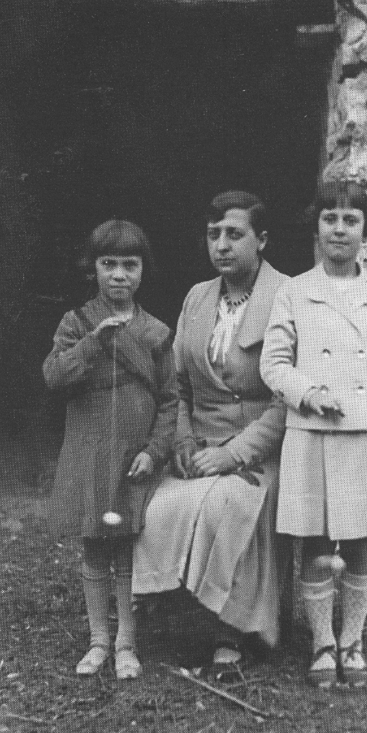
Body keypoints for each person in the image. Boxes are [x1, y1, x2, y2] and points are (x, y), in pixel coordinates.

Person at [260, 180, 367, 688]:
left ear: (365, 232)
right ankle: (321, 644)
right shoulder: (294, 290)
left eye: (350, 220)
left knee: (358, 542)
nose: (339, 229)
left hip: (364, 434)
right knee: (313, 541)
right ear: (316, 227)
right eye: (329, 218)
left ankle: (351, 641)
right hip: (312, 430)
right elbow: (273, 362)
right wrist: (308, 392)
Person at [132, 190, 287, 667]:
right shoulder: (197, 297)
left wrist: (234, 453)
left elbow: (289, 400)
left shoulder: (288, 296)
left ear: (261, 240)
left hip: (260, 445)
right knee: (159, 502)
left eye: (234, 234)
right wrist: (179, 440)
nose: (221, 245)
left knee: (234, 503)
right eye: (213, 234)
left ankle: (233, 629)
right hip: (198, 440)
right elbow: (175, 383)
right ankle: (158, 598)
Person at [43, 220, 178, 679]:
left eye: (130, 265)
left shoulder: (156, 332)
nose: (119, 275)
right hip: (91, 453)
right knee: (94, 547)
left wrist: (155, 450)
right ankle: (98, 640)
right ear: (93, 268)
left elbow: (170, 400)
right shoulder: (76, 323)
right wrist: (93, 340)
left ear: (143, 271)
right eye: (108, 264)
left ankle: (127, 644)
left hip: (133, 458)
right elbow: (54, 377)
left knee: (127, 550)